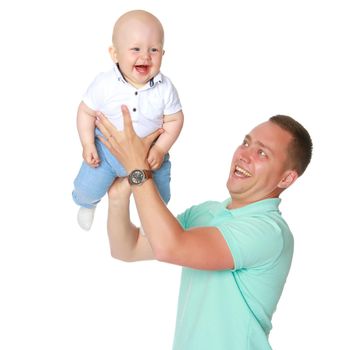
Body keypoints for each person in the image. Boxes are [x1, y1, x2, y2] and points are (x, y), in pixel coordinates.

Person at [95, 106, 312, 350]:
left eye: (262, 153)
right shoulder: (206, 213)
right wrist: (117, 198)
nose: (244, 154)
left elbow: (171, 248)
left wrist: (137, 167)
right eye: (246, 143)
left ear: (286, 179)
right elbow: (128, 249)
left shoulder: (269, 231)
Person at [72, 10, 184, 230]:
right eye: (136, 49)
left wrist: (160, 150)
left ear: (163, 53)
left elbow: (175, 120)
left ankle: (151, 220)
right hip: (106, 151)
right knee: (87, 185)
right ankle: (87, 204)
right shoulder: (104, 84)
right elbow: (86, 112)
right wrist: (87, 144)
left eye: (154, 50)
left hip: (149, 155)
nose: (146, 56)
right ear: (115, 53)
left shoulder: (165, 88)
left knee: (160, 194)